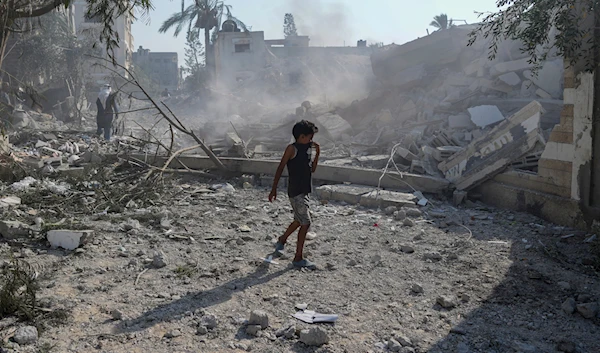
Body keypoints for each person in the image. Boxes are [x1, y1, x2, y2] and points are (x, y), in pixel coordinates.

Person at [269, 120, 320, 269]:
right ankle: (298, 258)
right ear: (302, 136)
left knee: (299, 220)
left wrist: (318, 153)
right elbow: (280, 168)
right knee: (306, 223)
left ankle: (282, 240)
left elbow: (312, 169)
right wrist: (274, 189)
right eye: (310, 137)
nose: (311, 140)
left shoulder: (309, 148)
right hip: (295, 191)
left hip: (304, 190)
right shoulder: (292, 149)